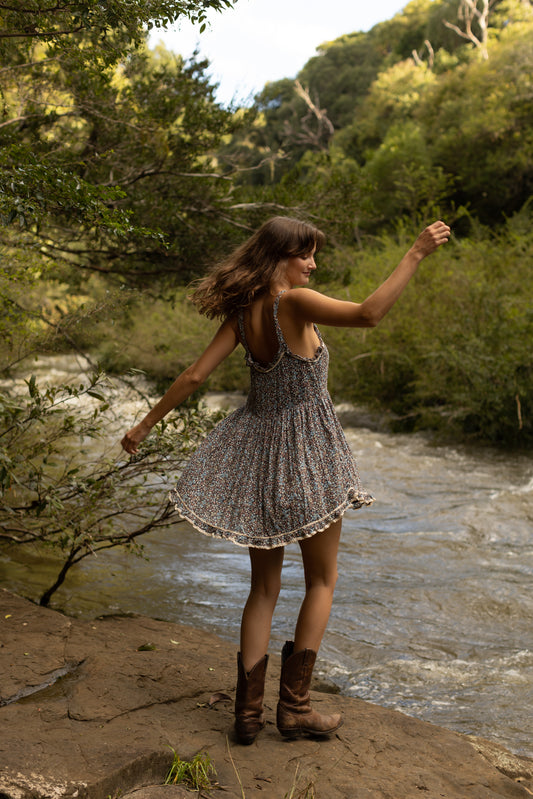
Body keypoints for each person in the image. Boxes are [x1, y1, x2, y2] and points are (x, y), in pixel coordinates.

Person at [120, 216, 450, 745]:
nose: (313, 264)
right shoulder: (293, 304)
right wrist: (414, 253)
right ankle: (294, 709)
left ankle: (247, 715)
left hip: (257, 457)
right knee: (322, 581)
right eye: (305, 255)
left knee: (263, 588)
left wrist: (143, 425)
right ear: (279, 257)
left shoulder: (241, 313)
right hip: (308, 457)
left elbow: (194, 376)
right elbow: (368, 314)